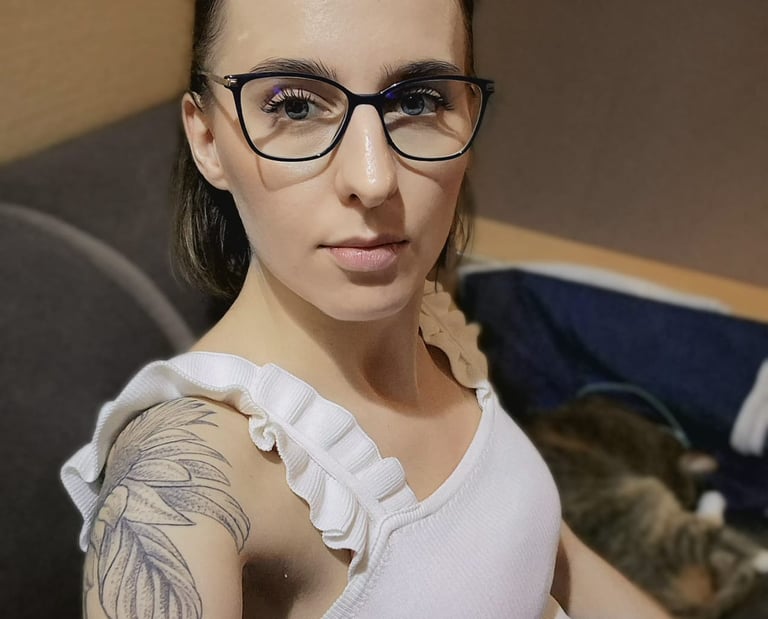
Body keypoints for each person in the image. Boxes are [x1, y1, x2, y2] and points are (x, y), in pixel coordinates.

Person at [61, 0, 673, 617]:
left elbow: (552, 557)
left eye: (418, 101)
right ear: (208, 140)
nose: (374, 179)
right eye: (295, 107)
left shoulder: (434, 326)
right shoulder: (184, 481)